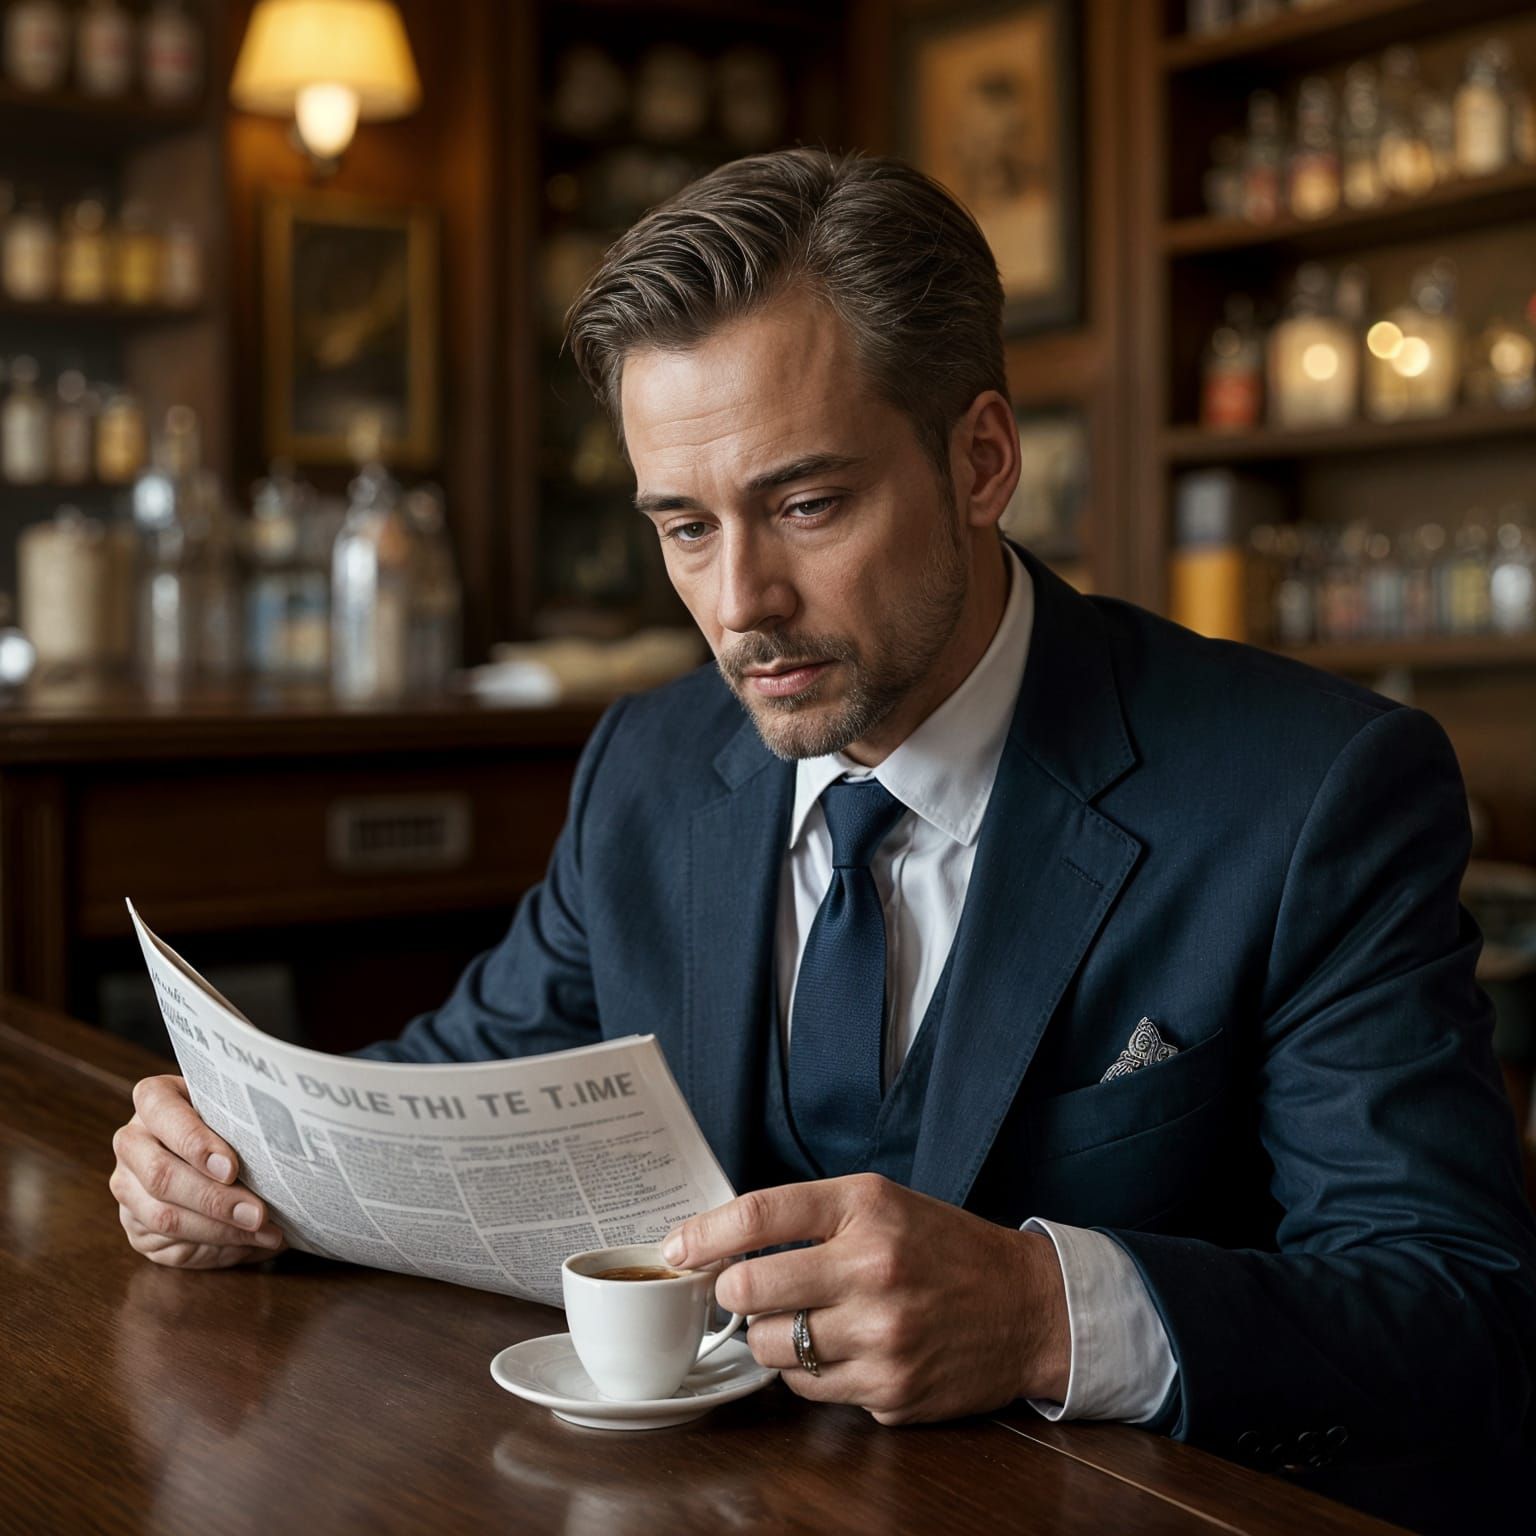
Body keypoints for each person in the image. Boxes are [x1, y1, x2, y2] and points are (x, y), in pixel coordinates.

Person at [110, 150, 1536, 1468]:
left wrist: (1045, 1308)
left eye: (805, 506)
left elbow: (1461, 1311)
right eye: (683, 526)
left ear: (982, 461)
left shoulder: (1316, 791)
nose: (739, 608)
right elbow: (451, 1098)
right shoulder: (649, 769)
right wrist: (230, 1165)